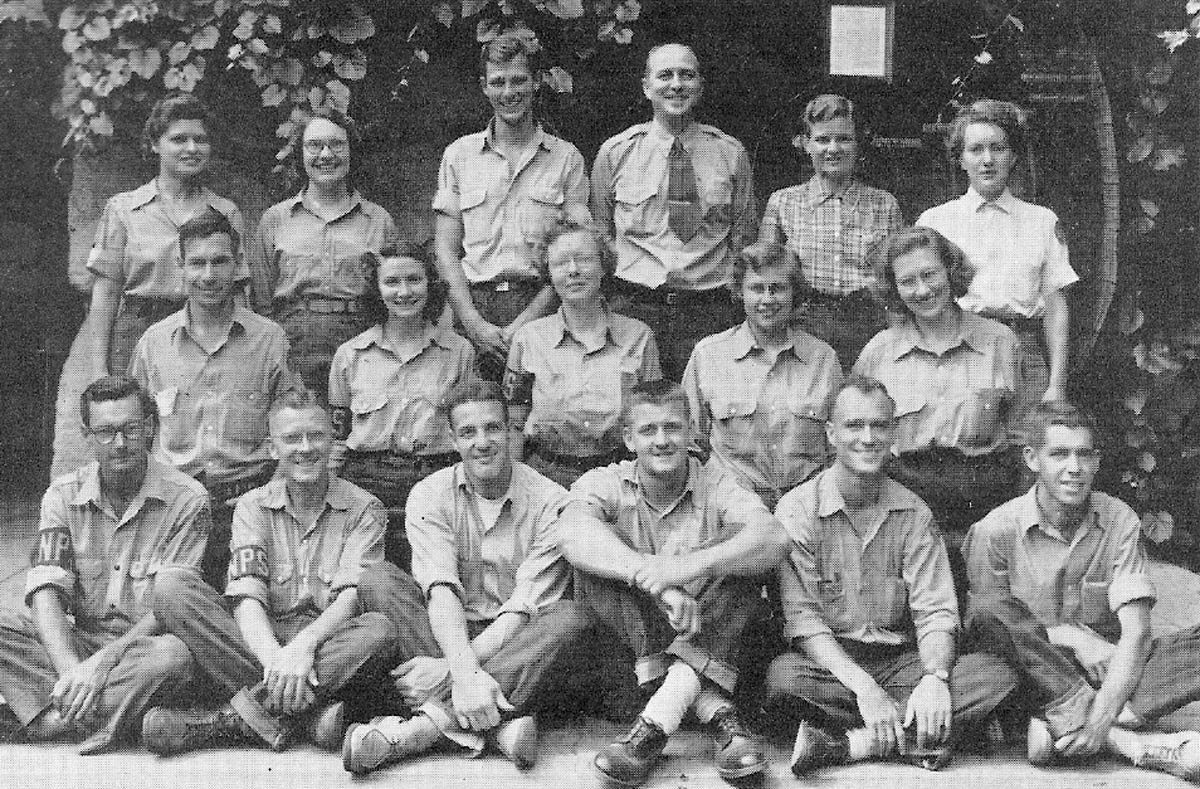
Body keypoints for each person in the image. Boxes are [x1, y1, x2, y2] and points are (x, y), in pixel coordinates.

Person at [340, 380, 598, 775]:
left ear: (512, 431)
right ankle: (497, 729)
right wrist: (461, 670)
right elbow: (441, 591)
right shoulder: (429, 494)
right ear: (452, 439)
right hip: (445, 631)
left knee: (570, 619)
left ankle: (420, 732)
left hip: (515, 638)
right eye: (468, 432)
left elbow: (522, 611)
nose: (483, 442)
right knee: (378, 580)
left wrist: (450, 671)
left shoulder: (552, 502)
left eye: (493, 428)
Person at [766, 376, 1018, 776]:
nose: (867, 438)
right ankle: (921, 736)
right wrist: (865, 689)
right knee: (783, 680)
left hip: (903, 662)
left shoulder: (914, 513)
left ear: (893, 432)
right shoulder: (798, 511)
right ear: (831, 434)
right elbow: (804, 623)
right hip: (832, 664)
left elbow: (936, 612)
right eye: (854, 426)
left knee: (993, 676)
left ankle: (850, 744)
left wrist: (934, 677)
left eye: (879, 426)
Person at [558, 380, 790, 786]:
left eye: (672, 428)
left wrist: (685, 568)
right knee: (595, 555)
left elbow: (775, 539)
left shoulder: (717, 482)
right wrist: (654, 579)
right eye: (648, 430)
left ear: (692, 432)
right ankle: (714, 710)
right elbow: (570, 533)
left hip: (712, 635)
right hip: (635, 658)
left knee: (742, 556)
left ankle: (656, 721)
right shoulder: (607, 481)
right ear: (629, 439)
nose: (662, 441)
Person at [140, 388, 396, 755]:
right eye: (292, 438)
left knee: (380, 632)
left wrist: (303, 649)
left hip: (328, 643)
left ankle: (224, 721)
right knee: (171, 588)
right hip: (259, 641)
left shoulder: (364, 508)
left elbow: (350, 601)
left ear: (333, 441)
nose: (305, 448)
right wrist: (278, 661)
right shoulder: (252, 506)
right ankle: (309, 716)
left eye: (316, 436)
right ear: (272, 448)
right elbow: (247, 599)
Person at [964, 401, 1200, 781]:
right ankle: (1133, 745)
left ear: (1097, 461)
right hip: (1031, 675)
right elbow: (987, 626)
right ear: (1032, 458)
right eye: (1059, 454)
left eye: (1084, 454)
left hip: (1106, 668)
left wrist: (1101, 714)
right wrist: (1069, 637)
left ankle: (1065, 727)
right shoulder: (995, 531)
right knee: (989, 672)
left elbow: (1136, 632)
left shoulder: (1119, 519)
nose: (1074, 468)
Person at [0, 376, 209, 754]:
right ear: (87, 435)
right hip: (80, 642)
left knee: (173, 657)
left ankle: (45, 719)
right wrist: (72, 671)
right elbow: (47, 590)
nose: (120, 443)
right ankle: (93, 712)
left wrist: (102, 663)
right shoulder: (62, 496)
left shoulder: (188, 500)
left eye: (130, 429)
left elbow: (171, 610)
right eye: (106, 432)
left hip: (141, 646)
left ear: (149, 428)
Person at [130, 209, 295, 590]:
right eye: (197, 263)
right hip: (174, 506)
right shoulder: (154, 345)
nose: (209, 276)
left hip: (248, 503)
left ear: (238, 264)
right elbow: (138, 434)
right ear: (180, 266)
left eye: (220, 262)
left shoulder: (270, 340)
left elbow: (289, 428)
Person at [591, 43, 757, 380]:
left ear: (700, 86)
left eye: (687, 75)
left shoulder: (730, 153)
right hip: (634, 308)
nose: (676, 85)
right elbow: (601, 233)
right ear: (646, 87)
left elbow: (743, 234)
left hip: (708, 309)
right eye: (665, 75)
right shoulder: (616, 153)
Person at [434, 31, 590, 381]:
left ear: (536, 82)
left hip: (543, 308)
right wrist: (473, 324)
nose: (509, 93)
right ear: (484, 86)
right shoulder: (458, 156)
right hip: (471, 309)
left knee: (538, 423)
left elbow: (574, 254)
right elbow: (445, 251)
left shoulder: (566, 159)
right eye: (498, 82)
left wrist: (524, 325)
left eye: (519, 80)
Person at [853, 226, 1021, 549]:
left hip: (984, 504)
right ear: (894, 289)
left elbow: (1021, 436)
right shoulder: (879, 353)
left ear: (951, 271)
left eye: (930, 274)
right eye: (907, 282)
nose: (922, 290)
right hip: (906, 503)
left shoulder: (1000, 342)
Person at [917, 99, 1076, 416]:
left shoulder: (1042, 221)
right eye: (975, 150)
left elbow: (1056, 307)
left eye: (998, 148)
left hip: (1023, 352)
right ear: (960, 159)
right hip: (958, 349)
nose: (987, 160)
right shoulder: (935, 223)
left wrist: (1057, 384)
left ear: (1013, 155)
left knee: (1025, 451)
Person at [329, 242, 475, 567]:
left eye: (414, 280)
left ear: (431, 284)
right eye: (392, 282)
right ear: (376, 290)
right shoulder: (350, 356)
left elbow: (468, 430)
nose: (404, 292)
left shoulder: (459, 353)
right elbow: (338, 441)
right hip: (366, 483)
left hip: (435, 480)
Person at [86, 93, 248, 381]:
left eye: (200, 139)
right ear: (155, 144)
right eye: (179, 139)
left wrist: (244, 357)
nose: (192, 148)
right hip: (137, 334)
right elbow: (105, 296)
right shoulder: (123, 210)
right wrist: (98, 370)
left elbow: (237, 295)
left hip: (206, 333)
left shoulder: (226, 212)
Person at [250, 107, 398, 399]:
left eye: (337, 144)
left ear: (351, 151)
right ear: (300, 154)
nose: (326, 155)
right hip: (293, 342)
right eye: (314, 146)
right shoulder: (276, 220)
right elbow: (262, 301)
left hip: (361, 340)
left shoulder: (379, 221)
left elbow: (392, 295)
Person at [683, 240, 843, 511]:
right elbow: (689, 444)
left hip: (808, 508)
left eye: (778, 289)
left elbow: (838, 448)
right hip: (732, 507)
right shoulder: (708, 355)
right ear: (740, 292)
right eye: (757, 289)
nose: (767, 300)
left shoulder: (822, 359)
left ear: (794, 293)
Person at [505, 216, 662, 488]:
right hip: (546, 478)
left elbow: (652, 420)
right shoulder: (528, 339)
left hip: (619, 476)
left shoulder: (638, 337)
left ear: (604, 267)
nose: (573, 270)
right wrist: (517, 492)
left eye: (584, 259)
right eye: (561, 263)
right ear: (548, 274)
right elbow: (514, 425)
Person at [759, 94, 903, 368]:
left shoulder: (884, 204)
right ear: (805, 144)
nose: (833, 148)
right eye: (823, 140)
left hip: (867, 325)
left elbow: (895, 283)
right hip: (802, 325)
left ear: (858, 143)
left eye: (844, 139)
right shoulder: (783, 202)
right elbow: (766, 273)